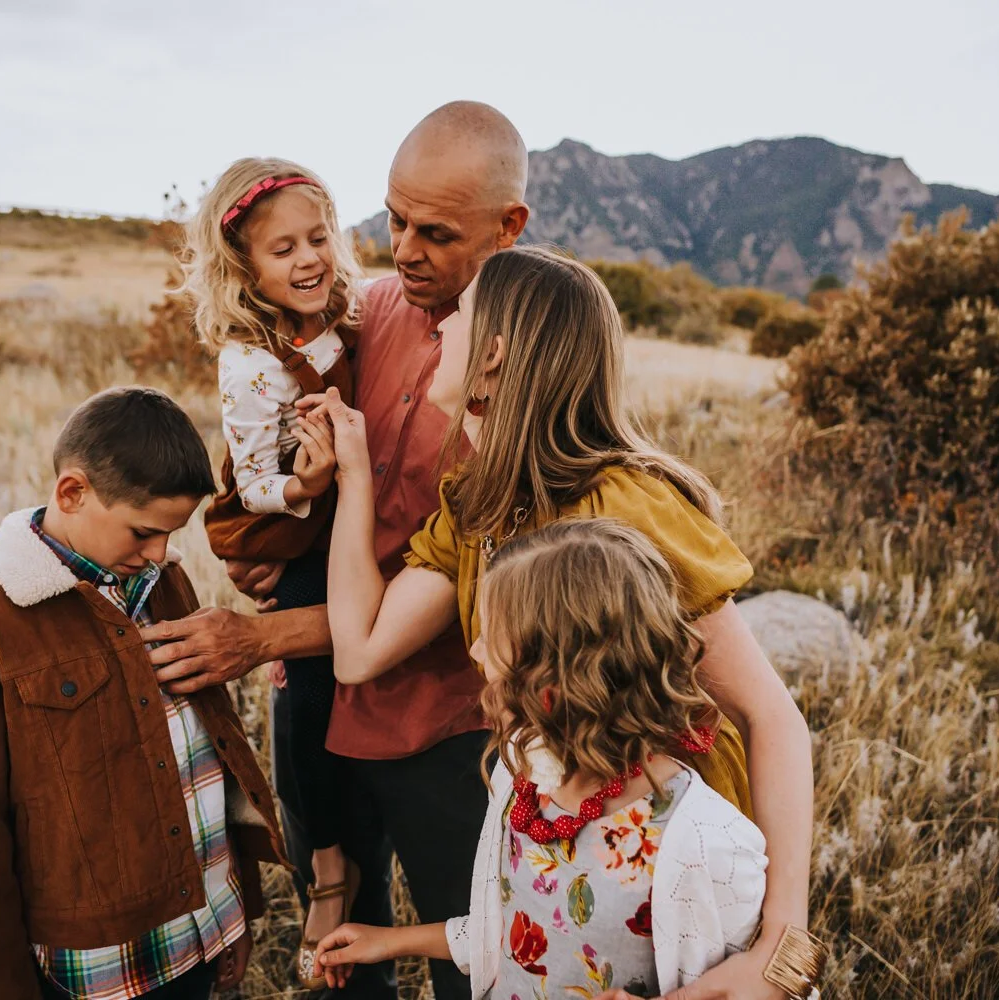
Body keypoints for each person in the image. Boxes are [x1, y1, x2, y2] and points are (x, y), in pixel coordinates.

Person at [304, 245, 824, 999]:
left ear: (496, 356)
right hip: (565, 841)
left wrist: (780, 949)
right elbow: (360, 650)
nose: (439, 324)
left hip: (675, 874)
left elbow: (770, 714)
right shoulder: (480, 503)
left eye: (462, 312)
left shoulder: (624, 505)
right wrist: (354, 473)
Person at [142, 101, 531, 1000]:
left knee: (469, 951)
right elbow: (271, 416)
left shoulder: (527, 364)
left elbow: (463, 587)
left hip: (445, 722)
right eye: (393, 221)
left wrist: (261, 637)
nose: (403, 249)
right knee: (344, 949)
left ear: (509, 227)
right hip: (326, 709)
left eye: (434, 233)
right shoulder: (376, 308)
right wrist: (258, 531)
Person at [0, 387, 287, 1000]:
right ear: (72, 492)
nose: (161, 554)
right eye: (143, 532)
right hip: (103, 973)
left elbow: (209, 757)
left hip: (203, 931)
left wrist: (232, 914)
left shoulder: (164, 582)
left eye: (171, 534)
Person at [314, 518, 774, 999]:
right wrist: (390, 941)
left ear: (551, 686)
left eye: (490, 637)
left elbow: (760, 982)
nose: (474, 649)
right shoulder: (523, 779)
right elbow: (519, 930)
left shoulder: (704, 841)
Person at [175, 157, 360, 988]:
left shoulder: (349, 317)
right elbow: (253, 481)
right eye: (282, 249)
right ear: (244, 267)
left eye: (318, 237)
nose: (308, 258)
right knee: (310, 703)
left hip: (357, 530)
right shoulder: (250, 359)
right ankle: (326, 869)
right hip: (299, 539)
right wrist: (307, 483)